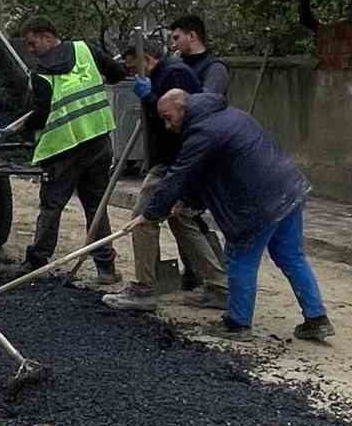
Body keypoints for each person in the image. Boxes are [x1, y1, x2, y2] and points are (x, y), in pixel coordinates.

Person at [132, 89, 334, 341]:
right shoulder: (230, 116)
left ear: (183, 109)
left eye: (168, 117)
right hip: (289, 189)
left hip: (258, 203)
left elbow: (179, 176)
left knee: (240, 259)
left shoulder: (202, 133)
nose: (166, 124)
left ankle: (237, 324)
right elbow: (210, 172)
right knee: (291, 256)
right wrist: (187, 203)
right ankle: (317, 318)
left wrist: (150, 214)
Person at [103, 37, 228, 312]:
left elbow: (179, 119)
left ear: (148, 59)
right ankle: (219, 287)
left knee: (143, 218)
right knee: (181, 220)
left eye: (135, 67)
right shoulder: (165, 73)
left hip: (176, 162)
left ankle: (144, 289)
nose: (133, 74)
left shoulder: (175, 74)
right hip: (171, 160)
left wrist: (149, 97)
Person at [14, 19, 126, 285]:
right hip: (98, 141)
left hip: (64, 149)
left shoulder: (40, 73)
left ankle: (36, 263)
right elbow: (118, 73)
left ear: (46, 36)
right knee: (95, 207)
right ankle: (106, 268)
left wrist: (24, 126)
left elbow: (41, 115)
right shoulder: (86, 50)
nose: (30, 50)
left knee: (52, 207)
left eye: (32, 43)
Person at [170, 13, 229, 98]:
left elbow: (208, 102)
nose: (174, 45)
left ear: (191, 36)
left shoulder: (215, 68)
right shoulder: (179, 64)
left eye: (177, 38)